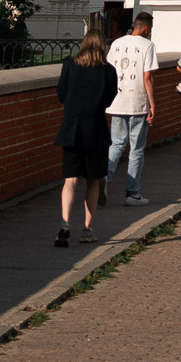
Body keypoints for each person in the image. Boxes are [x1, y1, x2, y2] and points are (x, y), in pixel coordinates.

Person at [55, 21, 118, 247]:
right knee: (92, 181)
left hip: (72, 130)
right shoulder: (108, 71)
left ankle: (64, 222)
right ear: (103, 46)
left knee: (70, 180)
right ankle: (87, 228)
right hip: (96, 132)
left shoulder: (69, 66)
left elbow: (61, 95)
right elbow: (109, 99)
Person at [105, 9, 157, 205]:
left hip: (117, 101)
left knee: (116, 144)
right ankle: (132, 193)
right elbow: (147, 77)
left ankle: (105, 177)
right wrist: (152, 103)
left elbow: (108, 71)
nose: (150, 31)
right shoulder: (148, 45)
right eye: (150, 28)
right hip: (137, 103)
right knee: (136, 149)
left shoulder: (117, 43)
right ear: (145, 27)